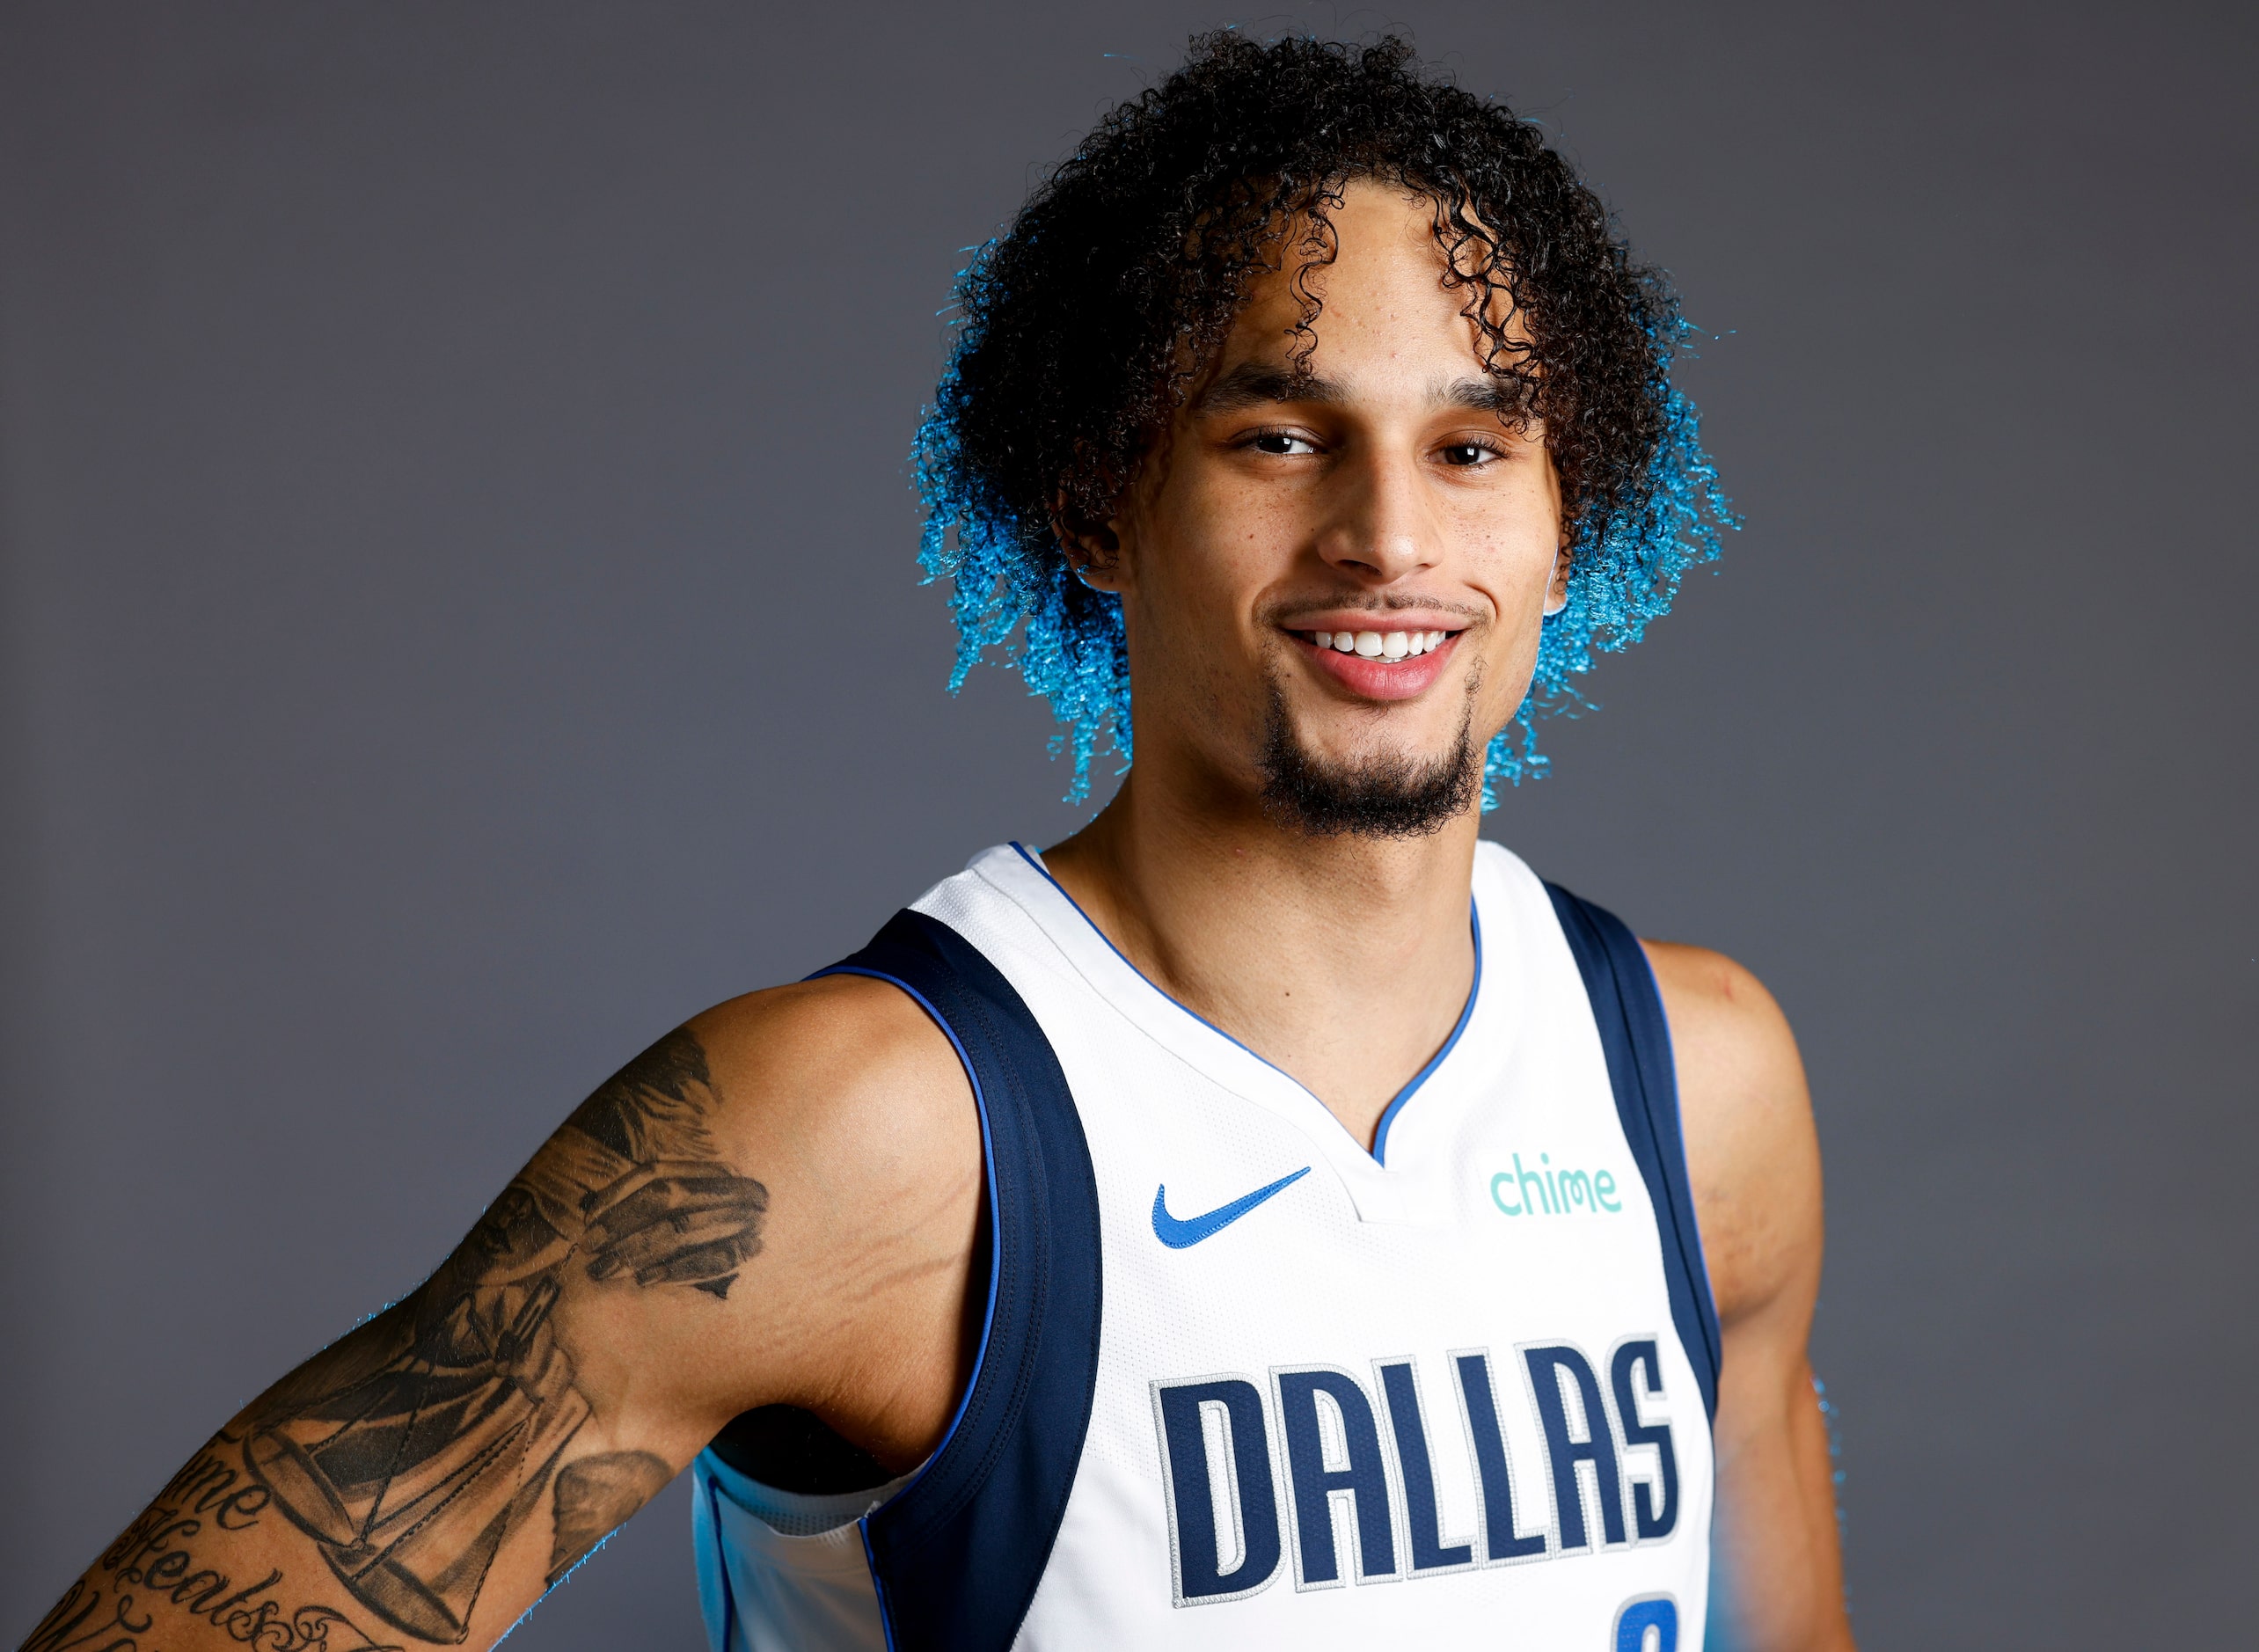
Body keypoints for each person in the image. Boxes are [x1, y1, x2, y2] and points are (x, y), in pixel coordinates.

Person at [27, 33, 1853, 1652]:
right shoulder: (868, 1128)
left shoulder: (1695, 1085)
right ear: (1094, 504)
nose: (1389, 537)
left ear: (1558, 512)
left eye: (1474, 449)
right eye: (1280, 436)